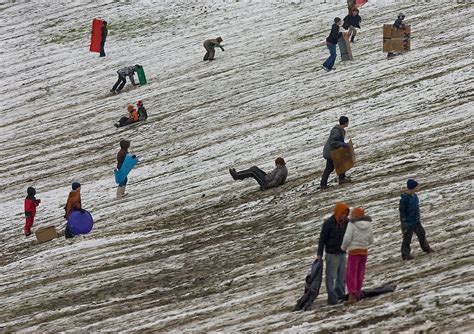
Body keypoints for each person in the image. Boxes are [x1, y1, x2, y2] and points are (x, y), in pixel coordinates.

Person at [316, 202, 350, 305]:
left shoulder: (347, 222)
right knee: (331, 276)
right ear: (338, 212)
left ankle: (341, 294)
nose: (344, 216)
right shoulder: (329, 223)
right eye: (343, 213)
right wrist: (320, 254)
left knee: (342, 276)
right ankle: (332, 298)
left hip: (342, 252)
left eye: (346, 214)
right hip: (331, 254)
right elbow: (322, 239)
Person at [341, 207, 373, 305]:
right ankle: (358, 293)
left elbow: (347, 238)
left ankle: (352, 295)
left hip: (354, 251)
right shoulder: (369, 224)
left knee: (351, 274)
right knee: (360, 273)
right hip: (364, 251)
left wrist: (343, 247)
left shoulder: (352, 224)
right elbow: (371, 239)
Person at [400, 179, 433, 260]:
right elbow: (402, 211)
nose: (419, 187)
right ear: (413, 188)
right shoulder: (405, 198)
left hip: (416, 220)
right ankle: (405, 254)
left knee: (421, 234)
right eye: (417, 186)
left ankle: (426, 248)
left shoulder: (415, 196)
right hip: (408, 222)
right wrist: (404, 222)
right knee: (407, 238)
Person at [320, 116, 350, 190]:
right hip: (330, 153)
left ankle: (342, 179)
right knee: (329, 168)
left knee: (340, 164)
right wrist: (342, 144)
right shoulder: (337, 131)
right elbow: (333, 142)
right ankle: (323, 184)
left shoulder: (340, 130)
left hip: (333, 152)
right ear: (346, 122)